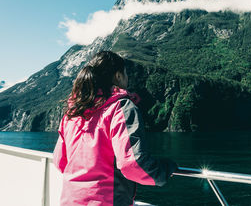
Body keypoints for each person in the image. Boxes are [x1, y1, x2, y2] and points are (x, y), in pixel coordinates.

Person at [53, 51, 177, 206]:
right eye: (125, 73)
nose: (127, 77)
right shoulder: (120, 107)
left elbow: (60, 162)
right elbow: (132, 164)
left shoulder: (72, 112)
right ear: (118, 76)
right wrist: (164, 170)